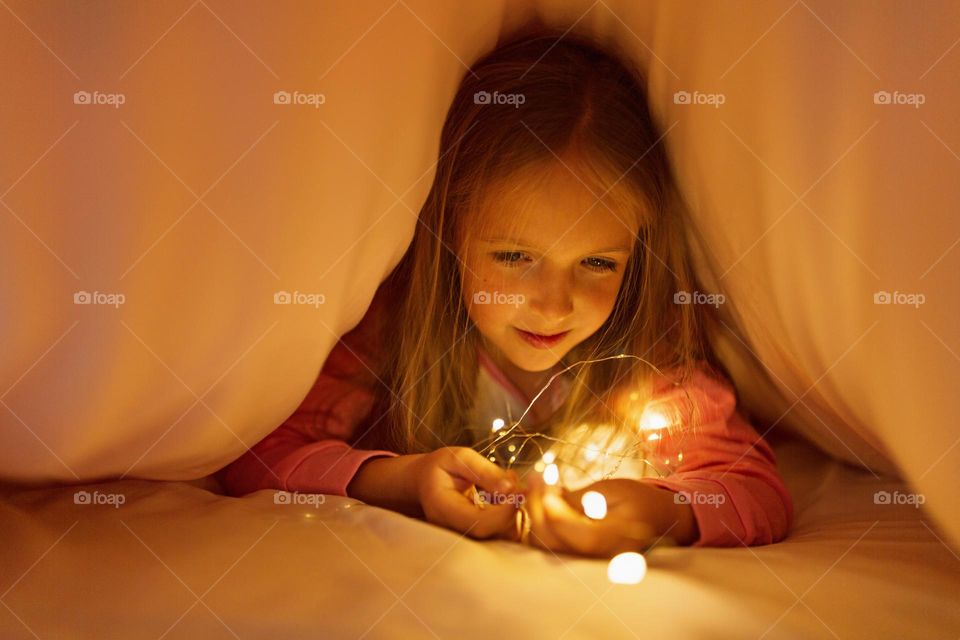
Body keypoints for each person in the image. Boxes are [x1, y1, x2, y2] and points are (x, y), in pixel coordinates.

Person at [218, 28, 793, 556]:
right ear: (450, 234)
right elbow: (255, 456)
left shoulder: (651, 366)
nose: (553, 304)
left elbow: (752, 491)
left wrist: (662, 510)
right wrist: (406, 481)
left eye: (596, 262)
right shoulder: (390, 330)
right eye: (515, 257)